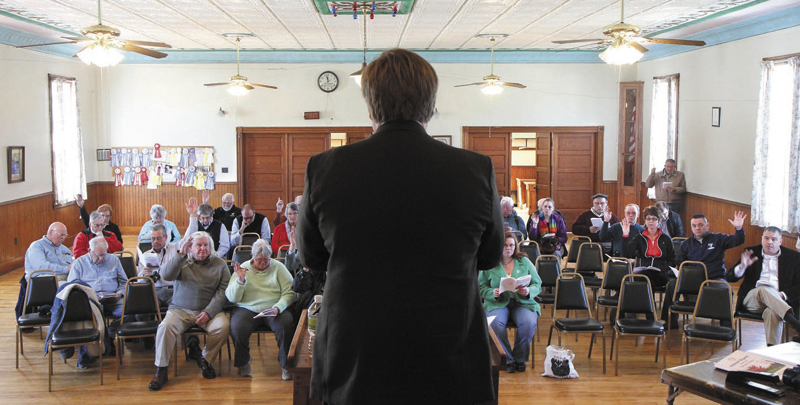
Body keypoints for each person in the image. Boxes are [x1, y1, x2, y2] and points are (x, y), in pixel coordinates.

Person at [297, 48, 504, 405]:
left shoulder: (326, 168)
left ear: (369, 105)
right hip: (447, 349)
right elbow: (489, 256)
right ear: (431, 104)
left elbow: (312, 257)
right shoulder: (475, 169)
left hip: (356, 351)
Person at [148, 231, 230, 390]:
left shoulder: (220, 264)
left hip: (208, 311)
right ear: (190, 247)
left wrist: (209, 312)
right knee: (165, 327)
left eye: (206, 245)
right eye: (198, 245)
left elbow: (223, 291)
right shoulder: (182, 261)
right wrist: (180, 254)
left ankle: (206, 360)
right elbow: (166, 275)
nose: (202, 248)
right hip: (180, 310)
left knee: (223, 326)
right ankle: (161, 370)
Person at [661, 211, 747, 328]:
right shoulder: (686, 244)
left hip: (715, 278)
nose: (697, 228)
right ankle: (670, 321)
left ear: (707, 226)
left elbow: (738, 240)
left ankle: (725, 326)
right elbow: (681, 263)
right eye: (694, 226)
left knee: (726, 289)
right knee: (672, 285)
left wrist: (739, 228)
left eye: (701, 225)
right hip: (693, 280)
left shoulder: (718, 238)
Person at [226, 239, 295, 380]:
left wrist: (278, 307)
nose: (263, 263)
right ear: (253, 257)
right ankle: (244, 362)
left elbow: (290, 292)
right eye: (259, 260)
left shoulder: (278, 267)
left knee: (285, 326)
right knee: (237, 327)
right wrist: (240, 281)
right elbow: (232, 298)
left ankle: (286, 365)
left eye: (266, 259)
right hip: (248, 307)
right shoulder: (244, 268)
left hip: (274, 307)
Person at [726, 227, 800, 345]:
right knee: (763, 290)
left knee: (773, 312)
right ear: (762, 239)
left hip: (778, 300)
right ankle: (796, 324)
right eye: (766, 238)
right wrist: (742, 267)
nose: (769, 242)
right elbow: (730, 278)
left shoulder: (793, 257)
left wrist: (782, 295)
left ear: (780, 241)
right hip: (753, 300)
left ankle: (772, 353)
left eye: (774, 239)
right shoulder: (751, 252)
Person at [479, 233, 541, 373]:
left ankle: (520, 358)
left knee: (528, 324)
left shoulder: (523, 261)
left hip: (522, 303)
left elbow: (537, 283)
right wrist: (491, 292)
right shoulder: (490, 262)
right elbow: (480, 287)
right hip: (498, 302)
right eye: (505, 245)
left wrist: (528, 291)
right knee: (495, 324)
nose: (509, 248)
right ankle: (507, 359)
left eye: (511, 245)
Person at [67, 236, 128, 366]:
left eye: (104, 255)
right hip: (90, 300)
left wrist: (120, 293)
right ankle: (86, 355)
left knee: (128, 311)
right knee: (89, 317)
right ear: (89, 250)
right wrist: (87, 295)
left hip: (112, 297)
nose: (102, 259)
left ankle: (109, 337)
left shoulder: (113, 260)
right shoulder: (79, 263)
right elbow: (71, 287)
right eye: (98, 255)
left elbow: (124, 282)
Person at [16, 222, 74, 330]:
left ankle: (76, 323)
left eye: (65, 236)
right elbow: (41, 266)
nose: (63, 238)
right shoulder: (37, 246)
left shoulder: (64, 249)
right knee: (68, 290)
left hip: (63, 278)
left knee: (83, 287)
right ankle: (63, 326)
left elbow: (71, 263)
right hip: (43, 281)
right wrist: (66, 269)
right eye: (61, 235)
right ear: (51, 232)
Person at [625, 206, 675, 290]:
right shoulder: (639, 237)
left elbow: (672, 260)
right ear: (645, 221)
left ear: (659, 221)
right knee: (644, 279)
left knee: (646, 280)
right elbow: (627, 253)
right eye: (648, 219)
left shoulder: (666, 239)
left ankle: (644, 303)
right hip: (642, 271)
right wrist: (626, 236)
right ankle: (649, 303)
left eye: (654, 219)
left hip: (660, 273)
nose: (651, 221)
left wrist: (662, 268)